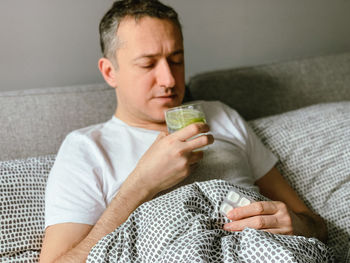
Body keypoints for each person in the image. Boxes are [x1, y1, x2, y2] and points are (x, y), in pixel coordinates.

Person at [39, 0, 328, 262]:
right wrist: (142, 184)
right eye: (148, 64)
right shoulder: (87, 148)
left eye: (176, 60)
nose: (169, 79)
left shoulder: (220, 115)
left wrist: (299, 225)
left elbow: (314, 225)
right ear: (109, 72)